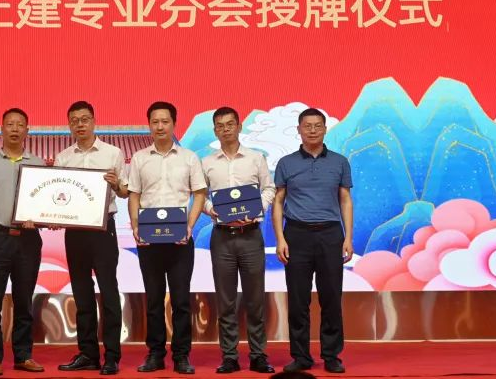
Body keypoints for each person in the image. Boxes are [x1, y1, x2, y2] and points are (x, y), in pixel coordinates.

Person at [128, 101, 207, 375]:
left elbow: (199, 193)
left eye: (165, 121)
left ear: (174, 124)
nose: (160, 126)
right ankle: (155, 354)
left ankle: (182, 355)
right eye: (155, 122)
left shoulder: (189, 158)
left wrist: (189, 226)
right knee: (153, 300)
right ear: (149, 125)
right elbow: (134, 195)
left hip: (180, 241)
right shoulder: (139, 158)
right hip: (149, 240)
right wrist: (136, 226)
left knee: (181, 301)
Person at [273, 108, 353, 374]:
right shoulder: (286, 163)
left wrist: (348, 237)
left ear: (325, 129)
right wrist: (280, 238)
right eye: (307, 126)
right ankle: (301, 356)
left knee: (331, 298)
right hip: (297, 235)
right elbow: (278, 202)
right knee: (298, 300)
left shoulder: (340, 162)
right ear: (299, 129)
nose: (312, 130)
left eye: (318, 125)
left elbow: (345, 200)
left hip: (331, 234)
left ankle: (331, 355)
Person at [0, 108, 47, 376]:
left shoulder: (38, 164)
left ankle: (23, 355)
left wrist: (41, 219)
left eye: (20, 125)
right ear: (1, 129)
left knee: (24, 301)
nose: (15, 129)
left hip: (28, 240)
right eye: (10, 124)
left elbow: (44, 204)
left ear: (28, 130)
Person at [54, 101, 128, 376]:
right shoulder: (63, 157)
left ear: (94, 121)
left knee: (109, 292)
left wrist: (116, 184)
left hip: (102, 229)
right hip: (75, 232)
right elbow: (57, 196)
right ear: (69, 125)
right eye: (74, 120)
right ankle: (87, 353)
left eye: (84, 119)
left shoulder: (113, 153)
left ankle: (112, 356)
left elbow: (124, 192)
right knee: (81, 294)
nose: (80, 124)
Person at [201, 107, 275, 374]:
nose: (225, 129)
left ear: (239, 126)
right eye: (220, 126)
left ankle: (258, 355)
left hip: (251, 235)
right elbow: (199, 195)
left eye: (230, 124)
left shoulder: (256, 158)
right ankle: (230, 356)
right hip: (222, 237)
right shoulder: (206, 163)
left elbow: (269, 188)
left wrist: (257, 209)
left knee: (255, 300)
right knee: (226, 301)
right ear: (215, 131)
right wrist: (212, 210)